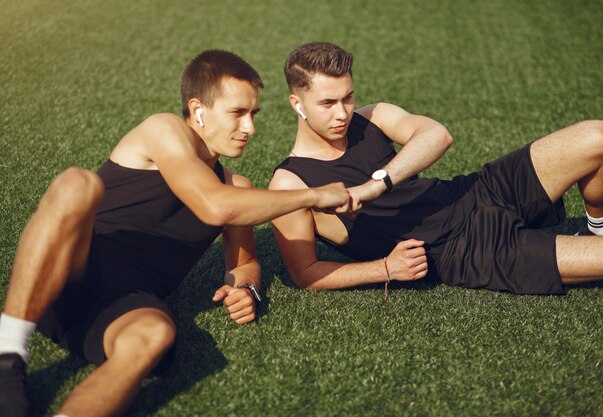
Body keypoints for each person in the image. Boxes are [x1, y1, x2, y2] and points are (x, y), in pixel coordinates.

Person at [0, 49, 351, 417]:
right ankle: (8, 356)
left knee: (155, 336)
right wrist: (313, 195)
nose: (250, 128)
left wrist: (246, 288)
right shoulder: (163, 129)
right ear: (198, 110)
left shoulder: (238, 190)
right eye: (238, 113)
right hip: (66, 271)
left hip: (123, 304)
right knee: (78, 184)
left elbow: (243, 263)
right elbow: (213, 206)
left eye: (253, 114)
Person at [269, 41, 603, 297]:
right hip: (466, 250)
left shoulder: (372, 116)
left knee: (601, 136)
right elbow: (305, 273)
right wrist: (385, 269)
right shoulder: (291, 182)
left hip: (475, 190)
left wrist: (377, 184)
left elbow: (437, 135)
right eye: (327, 103)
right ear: (297, 104)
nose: (343, 112)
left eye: (347, 97)